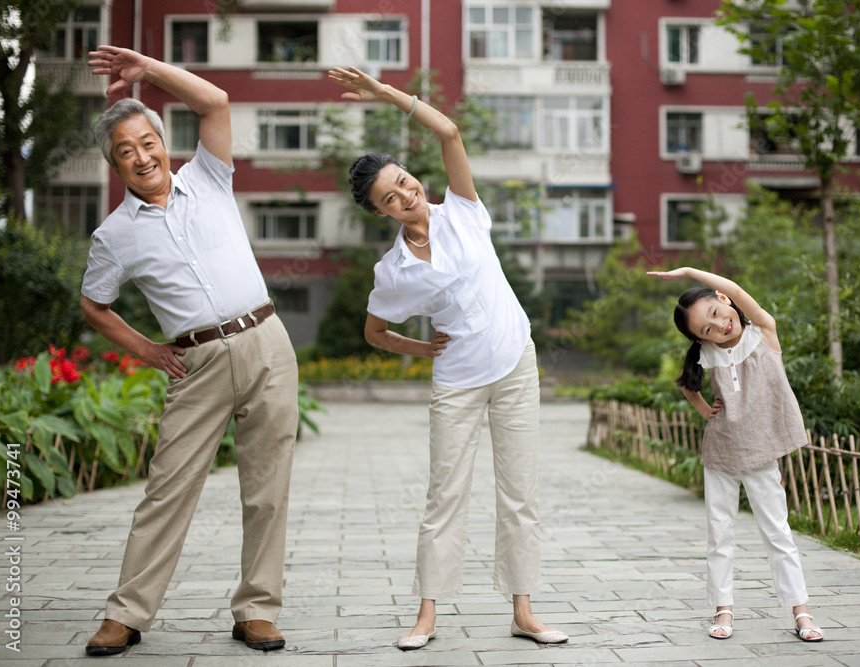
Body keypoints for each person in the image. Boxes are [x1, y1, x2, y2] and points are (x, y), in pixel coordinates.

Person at [330, 65, 567, 650]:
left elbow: (450, 134)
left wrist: (386, 93)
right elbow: (374, 331)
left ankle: (524, 611)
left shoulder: (463, 208)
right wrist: (420, 347)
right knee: (445, 495)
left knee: (519, 493)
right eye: (392, 197)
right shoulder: (393, 272)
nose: (407, 195)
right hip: (457, 381)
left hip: (515, 363)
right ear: (380, 211)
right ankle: (427, 615)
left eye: (406, 182)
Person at [80, 45, 299, 655]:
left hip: (266, 345)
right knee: (167, 488)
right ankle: (127, 614)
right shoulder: (114, 235)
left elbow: (215, 101)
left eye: (146, 141)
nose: (140, 156)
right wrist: (147, 349)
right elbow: (94, 306)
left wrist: (147, 70)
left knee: (267, 487)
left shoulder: (208, 176)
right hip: (197, 364)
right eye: (125, 151)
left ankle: (256, 609)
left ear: (162, 141)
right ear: (115, 166)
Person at [649, 267, 824, 643]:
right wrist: (703, 411)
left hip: (761, 452)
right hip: (721, 452)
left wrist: (688, 272)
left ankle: (802, 612)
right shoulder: (707, 355)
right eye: (706, 330)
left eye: (715, 314)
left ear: (723, 300)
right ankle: (723, 609)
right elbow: (685, 385)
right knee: (720, 534)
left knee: (777, 532)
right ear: (700, 339)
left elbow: (738, 290)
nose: (719, 326)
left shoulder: (763, 333)